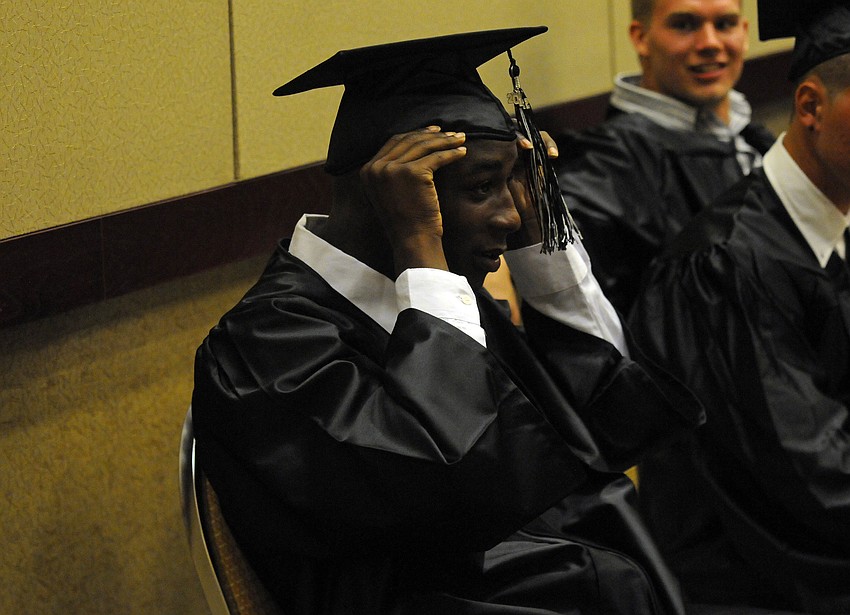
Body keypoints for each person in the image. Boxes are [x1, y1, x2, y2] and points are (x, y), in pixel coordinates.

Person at [191, 26, 712, 615]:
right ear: (386, 194)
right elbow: (442, 486)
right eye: (483, 187)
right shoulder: (270, 344)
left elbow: (595, 437)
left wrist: (544, 241)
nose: (512, 216)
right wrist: (418, 241)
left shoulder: (442, 306)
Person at [627, 1, 850, 611]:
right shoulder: (724, 266)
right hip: (756, 580)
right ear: (810, 107)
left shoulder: (830, 223)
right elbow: (809, 474)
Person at [554, 0, 775, 314]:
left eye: (725, 24)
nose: (711, 43)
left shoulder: (751, 136)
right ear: (640, 37)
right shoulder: (605, 167)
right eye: (684, 25)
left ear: (745, 31)